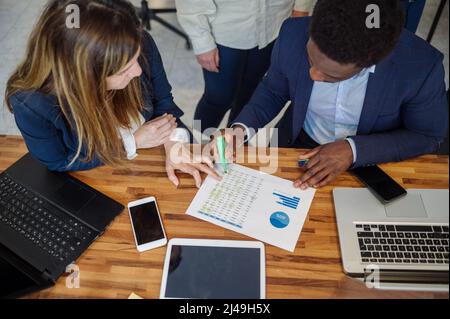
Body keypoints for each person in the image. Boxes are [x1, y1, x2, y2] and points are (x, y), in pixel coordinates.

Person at [211, 0, 448, 190]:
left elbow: (427, 134)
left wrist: (352, 150)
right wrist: (240, 129)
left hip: (374, 159)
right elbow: (274, 89)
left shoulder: (420, 67)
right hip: (297, 144)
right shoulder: (293, 33)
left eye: (330, 76)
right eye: (311, 60)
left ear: (370, 62)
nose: (313, 75)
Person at [5, 0, 219, 188]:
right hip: (99, 178)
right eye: (123, 70)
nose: (138, 72)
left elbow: (164, 104)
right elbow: (57, 161)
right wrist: (131, 143)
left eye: (135, 60)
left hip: (150, 164)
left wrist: (175, 141)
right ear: (83, 77)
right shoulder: (31, 103)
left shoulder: (136, 42)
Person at [175, 0, 313, 132]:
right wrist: (201, 41)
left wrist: (301, 8)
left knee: (249, 97)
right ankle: (199, 143)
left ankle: (235, 142)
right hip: (224, 29)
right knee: (218, 99)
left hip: (273, 24)